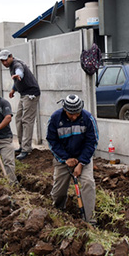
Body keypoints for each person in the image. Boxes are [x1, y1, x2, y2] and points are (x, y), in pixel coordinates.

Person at [46, 94, 98, 224]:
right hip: (63, 158)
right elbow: (52, 141)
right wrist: (65, 159)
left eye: (77, 114)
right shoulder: (55, 119)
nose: (74, 117)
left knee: (88, 183)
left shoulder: (88, 118)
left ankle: (89, 219)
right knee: (59, 191)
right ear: (64, 109)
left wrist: (81, 163)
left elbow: (92, 142)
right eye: (70, 114)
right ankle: (58, 212)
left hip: (83, 158)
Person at [0, 50, 41, 161]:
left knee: (27, 120)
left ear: (11, 56)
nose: (4, 63)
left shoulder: (16, 64)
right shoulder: (11, 66)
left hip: (31, 94)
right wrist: (13, 89)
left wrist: (19, 75)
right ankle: (22, 146)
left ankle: (26, 149)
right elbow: (17, 79)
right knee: (18, 119)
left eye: (6, 60)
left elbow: (19, 72)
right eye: (2, 61)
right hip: (24, 94)